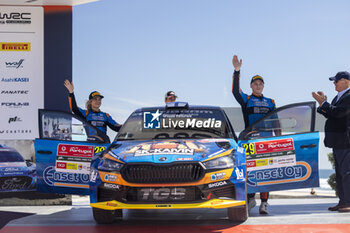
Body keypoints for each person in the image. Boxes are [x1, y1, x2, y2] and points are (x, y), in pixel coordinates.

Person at [231, 54, 276, 215]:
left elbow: (276, 122)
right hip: (250, 141)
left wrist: (279, 139)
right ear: (251, 86)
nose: (258, 85)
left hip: (266, 141)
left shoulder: (271, 102)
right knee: (250, 170)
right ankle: (250, 198)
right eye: (255, 83)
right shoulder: (247, 99)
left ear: (263, 86)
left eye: (260, 83)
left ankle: (264, 202)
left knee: (266, 171)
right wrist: (237, 71)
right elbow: (236, 91)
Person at [312, 71, 350, 213]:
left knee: (347, 172)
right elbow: (331, 113)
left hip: (346, 140)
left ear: (345, 81)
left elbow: (340, 113)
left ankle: (348, 202)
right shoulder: (338, 97)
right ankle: (343, 201)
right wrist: (322, 104)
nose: (334, 83)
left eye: (336, 81)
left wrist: (324, 103)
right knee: (340, 173)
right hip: (337, 141)